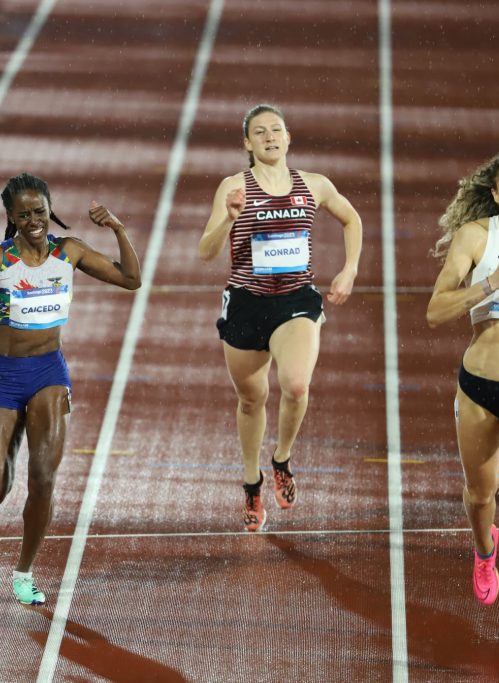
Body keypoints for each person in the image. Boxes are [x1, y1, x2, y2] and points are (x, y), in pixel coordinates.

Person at [0, 172, 141, 605]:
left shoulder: (67, 252)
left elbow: (131, 280)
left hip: (49, 374)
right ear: (11, 218)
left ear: (50, 211)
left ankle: (24, 571)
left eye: (40, 212)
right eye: (24, 215)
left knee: (44, 478)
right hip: (4, 377)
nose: (34, 221)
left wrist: (117, 228)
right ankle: (11, 435)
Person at [197, 104, 362, 532]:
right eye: (260, 132)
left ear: (288, 138)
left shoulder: (314, 184)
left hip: (295, 301)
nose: (270, 137)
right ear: (247, 143)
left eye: (277, 130)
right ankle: (252, 482)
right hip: (247, 303)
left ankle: (282, 460)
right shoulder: (234, 187)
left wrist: (350, 268)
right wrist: (229, 220)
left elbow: (352, 218)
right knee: (252, 400)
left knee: (296, 384)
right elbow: (205, 251)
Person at [426, 151, 499, 631]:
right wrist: (493, 281)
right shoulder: (476, 237)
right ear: (494, 193)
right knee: (480, 494)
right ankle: (485, 550)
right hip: (481, 385)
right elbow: (435, 312)